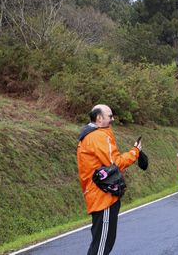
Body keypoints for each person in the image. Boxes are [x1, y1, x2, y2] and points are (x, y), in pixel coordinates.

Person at [77, 104, 141, 255]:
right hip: (103, 196)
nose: (113, 119)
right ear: (99, 118)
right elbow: (116, 163)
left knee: (101, 243)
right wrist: (135, 151)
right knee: (102, 246)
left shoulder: (91, 134)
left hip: (98, 194)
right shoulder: (98, 136)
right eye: (110, 116)